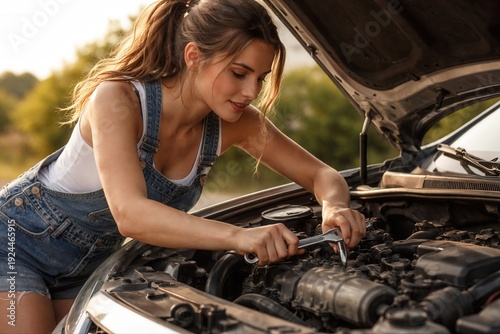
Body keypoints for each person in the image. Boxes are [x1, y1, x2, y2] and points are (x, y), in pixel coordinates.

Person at [0, 0, 366, 332]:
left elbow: (322, 175)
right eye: (239, 73)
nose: (251, 91)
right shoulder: (118, 99)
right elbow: (131, 215)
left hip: (93, 264)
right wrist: (238, 236)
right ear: (193, 56)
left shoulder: (238, 123)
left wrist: (333, 206)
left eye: (260, 78)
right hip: (17, 245)